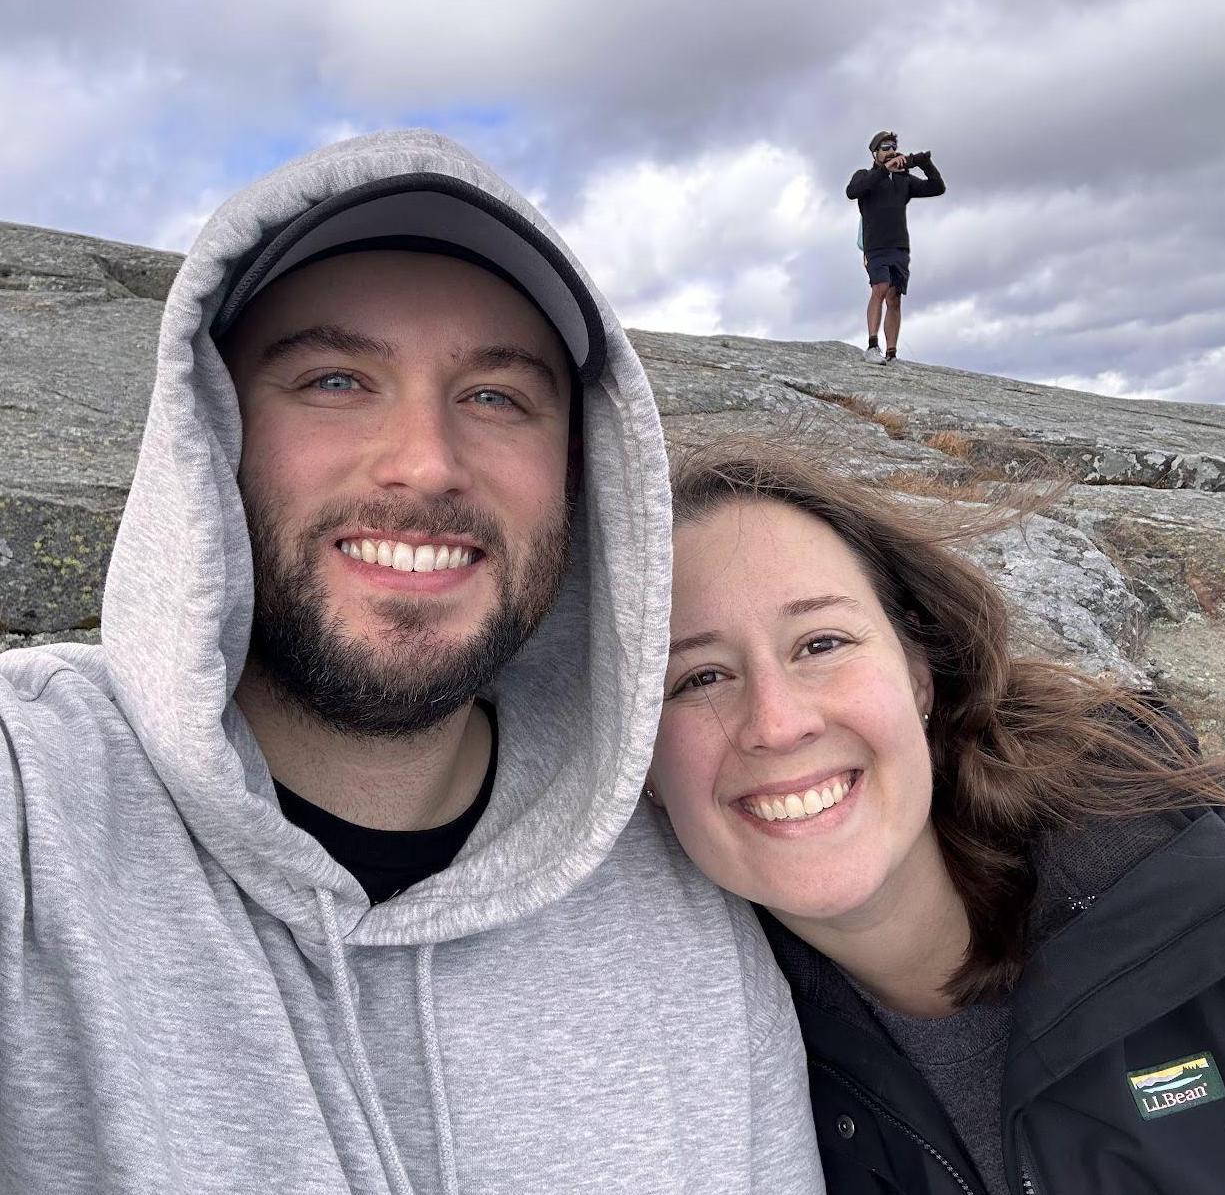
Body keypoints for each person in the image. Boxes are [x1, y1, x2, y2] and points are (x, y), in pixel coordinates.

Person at [0, 132, 825, 1193]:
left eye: (495, 396)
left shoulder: (687, 906)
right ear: (215, 430)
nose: (426, 462)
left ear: (578, 470)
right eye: (336, 378)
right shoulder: (33, 801)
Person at [645, 435, 1225, 1194]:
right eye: (700, 676)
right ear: (644, 772)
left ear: (919, 674)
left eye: (821, 642)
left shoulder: (1221, 868)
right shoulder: (700, 1080)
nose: (776, 722)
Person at [846, 130, 945, 365]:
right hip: (875, 247)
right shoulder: (865, 176)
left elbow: (937, 188)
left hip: (899, 246)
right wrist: (884, 171)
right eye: (885, 147)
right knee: (879, 288)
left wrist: (924, 163)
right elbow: (852, 192)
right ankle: (872, 347)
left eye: (893, 147)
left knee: (895, 297)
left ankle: (892, 354)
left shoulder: (904, 181)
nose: (890, 151)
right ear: (874, 153)